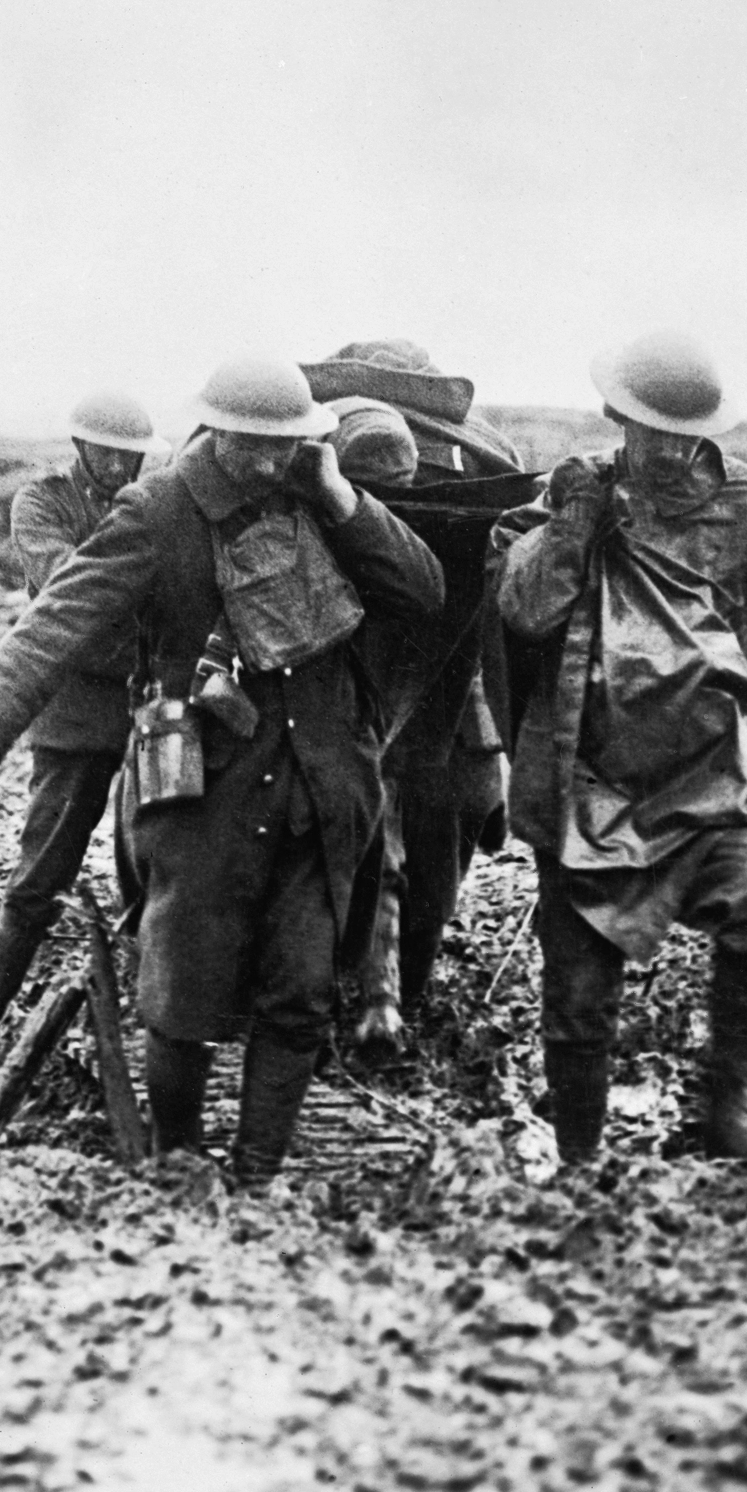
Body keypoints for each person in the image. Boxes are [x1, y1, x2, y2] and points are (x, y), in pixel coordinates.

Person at [0, 357, 444, 1185]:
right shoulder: (160, 509)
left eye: (286, 446)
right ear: (218, 433)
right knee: (180, 999)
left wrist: (341, 497)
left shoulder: (321, 499)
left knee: (299, 994)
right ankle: (176, 1163)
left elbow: (420, 590)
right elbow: (60, 617)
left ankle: (254, 1176)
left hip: (322, 788)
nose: (267, 463)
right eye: (253, 446)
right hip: (203, 793)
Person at [490, 331, 747, 1163]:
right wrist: (573, 522)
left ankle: (729, 1101)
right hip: (589, 785)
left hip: (715, 777)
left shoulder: (743, 501)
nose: (672, 450)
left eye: (687, 431)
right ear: (617, 421)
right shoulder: (566, 500)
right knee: (577, 991)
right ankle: (577, 1157)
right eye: (653, 430)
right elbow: (522, 609)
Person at [301, 341, 530, 1055]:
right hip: (414, 684)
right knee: (413, 817)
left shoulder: (315, 450)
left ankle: (369, 990)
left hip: (409, 686)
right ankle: (387, 992)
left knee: (396, 814)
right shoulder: (484, 464)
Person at [0, 391, 169, 1042]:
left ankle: (144, 1019)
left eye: (129, 453)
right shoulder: (43, 501)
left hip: (150, 706)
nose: (117, 463)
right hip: (75, 710)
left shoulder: (158, 501)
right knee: (42, 871)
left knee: (154, 867)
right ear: (80, 447)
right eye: (105, 450)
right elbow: (66, 588)